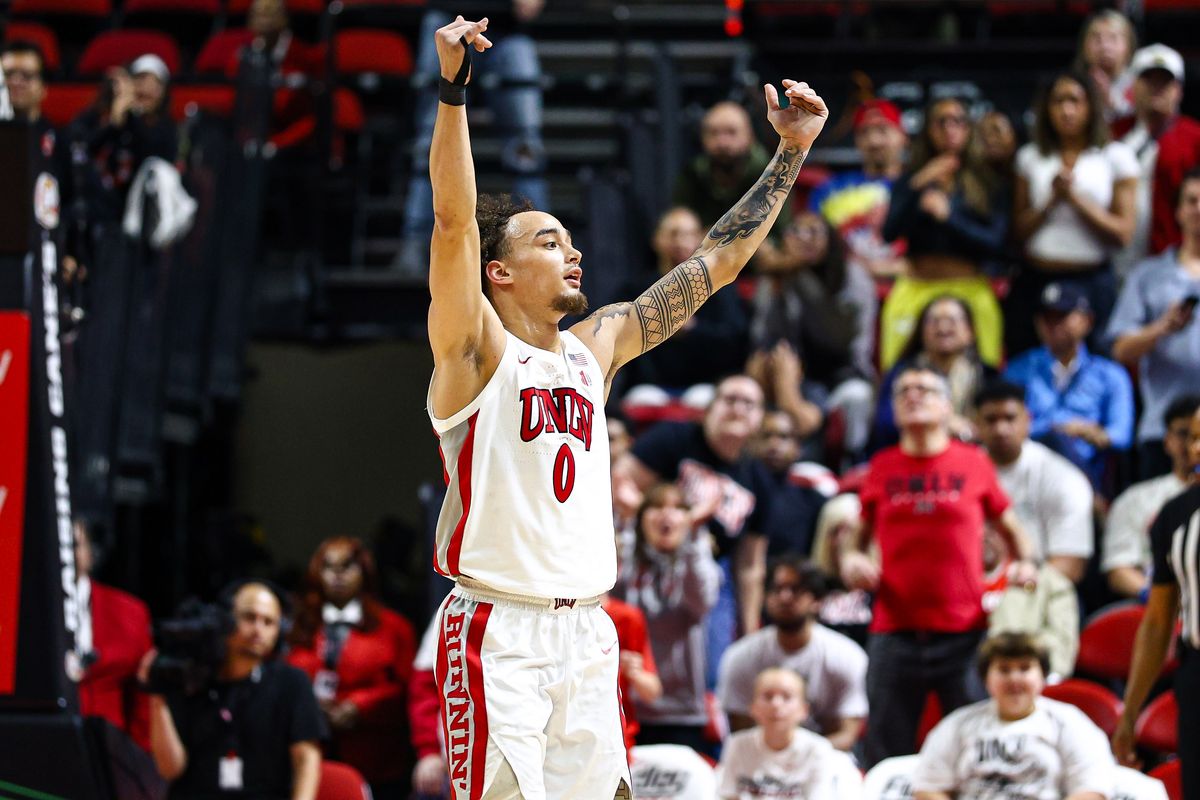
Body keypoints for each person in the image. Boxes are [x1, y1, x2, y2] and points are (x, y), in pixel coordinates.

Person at [423, 15, 827, 798]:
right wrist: (452, 90)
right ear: (497, 274)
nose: (570, 251)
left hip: (588, 630)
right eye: (546, 242)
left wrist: (791, 154)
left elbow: (713, 263)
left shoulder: (595, 346)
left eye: (570, 240)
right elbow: (450, 223)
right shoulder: (473, 352)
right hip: (498, 633)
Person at [840, 366, 1036, 767]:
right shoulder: (882, 465)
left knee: (975, 753)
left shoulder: (974, 463)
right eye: (904, 391)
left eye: (925, 389)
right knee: (884, 753)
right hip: (894, 631)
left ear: (948, 406)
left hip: (964, 633)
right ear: (893, 410)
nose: (914, 395)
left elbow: (1015, 532)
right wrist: (852, 561)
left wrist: (1026, 564)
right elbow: (853, 544)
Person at [396, 1, 548, 278]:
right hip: (448, 21)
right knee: (430, 138)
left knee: (525, 142)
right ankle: (415, 240)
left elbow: (529, 7)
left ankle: (541, 238)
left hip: (508, 31)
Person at [140, 581, 327, 800]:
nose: (259, 630)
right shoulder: (192, 678)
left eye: (269, 622)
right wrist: (157, 697)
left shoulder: (292, 682)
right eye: (249, 618)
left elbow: (306, 760)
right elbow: (170, 769)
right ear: (225, 620)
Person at [1008, 70, 1139, 357]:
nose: (1067, 110)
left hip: (1092, 280)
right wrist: (1051, 201)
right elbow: (1018, 231)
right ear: (1046, 108)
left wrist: (1076, 200)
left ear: (1091, 106)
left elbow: (1123, 233)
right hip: (1036, 276)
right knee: (1027, 361)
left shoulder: (1116, 156)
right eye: (1058, 101)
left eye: (1075, 101)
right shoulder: (1030, 157)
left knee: (1097, 363)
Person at [880, 96, 1007, 370]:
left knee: (983, 372)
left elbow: (997, 244)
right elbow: (889, 233)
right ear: (928, 130)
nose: (950, 128)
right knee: (898, 372)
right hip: (916, 285)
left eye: (958, 121)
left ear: (968, 128)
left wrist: (949, 217)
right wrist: (918, 185)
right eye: (941, 122)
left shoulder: (987, 181)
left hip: (969, 286)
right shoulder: (911, 178)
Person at [1112, 404, 1200, 797]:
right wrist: (1130, 712)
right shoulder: (1175, 513)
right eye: (1192, 438)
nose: (1195, 449)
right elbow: (1158, 620)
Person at [285, 537, 417, 799]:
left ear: (364, 573)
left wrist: (359, 705)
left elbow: (408, 689)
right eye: (329, 567)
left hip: (377, 758)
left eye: (347, 566)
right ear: (316, 573)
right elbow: (283, 680)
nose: (337, 575)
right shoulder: (298, 627)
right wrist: (311, 703)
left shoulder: (394, 627)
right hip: (310, 751)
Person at [913, 632, 1116, 800]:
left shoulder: (1070, 722)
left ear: (1042, 676)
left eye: (1025, 668)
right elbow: (928, 787)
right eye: (1004, 669)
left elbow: (1092, 789)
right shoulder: (958, 724)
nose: (1014, 679)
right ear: (986, 679)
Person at [745, 210, 877, 462]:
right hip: (788, 367)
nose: (805, 238)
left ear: (831, 238)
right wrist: (779, 281)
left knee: (856, 394)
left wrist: (796, 272)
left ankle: (851, 460)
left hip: (838, 371)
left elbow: (844, 343)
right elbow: (763, 334)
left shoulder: (852, 276)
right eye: (796, 231)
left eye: (814, 231)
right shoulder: (775, 276)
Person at [610, 484, 720, 752]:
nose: (667, 516)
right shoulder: (627, 556)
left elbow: (703, 599)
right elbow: (608, 586)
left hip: (682, 711)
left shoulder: (697, 557)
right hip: (627, 705)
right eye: (657, 507)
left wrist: (692, 532)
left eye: (678, 509)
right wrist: (628, 521)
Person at [716, 556, 867, 751]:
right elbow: (740, 732)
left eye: (795, 590)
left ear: (817, 600)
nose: (785, 597)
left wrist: (797, 757)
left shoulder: (847, 656)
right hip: (761, 760)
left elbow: (846, 735)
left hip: (824, 760)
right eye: (776, 590)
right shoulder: (740, 657)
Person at [1107, 167, 1200, 480]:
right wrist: (1163, 327)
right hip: (1163, 430)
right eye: (1192, 200)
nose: (1199, 208)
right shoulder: (1148, 276)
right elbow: (1121, 350)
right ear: (1178, 211)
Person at [1004, 282, 1134, 490]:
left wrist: (1088, 433)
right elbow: (1004, 425)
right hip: (1030, 471)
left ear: (1087, 321)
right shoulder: (1017, 370)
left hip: (1089, 469)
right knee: (1053, 441)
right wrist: (1059, 428)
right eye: (1046, 318)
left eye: (1062, 316)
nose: (1052, 324)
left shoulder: (1110, 374)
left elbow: (1121, 434)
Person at [618, 207, 750, 399]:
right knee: (643, 397)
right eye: (673, 234)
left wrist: (693, 329)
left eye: (689, 234)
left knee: (703, 398)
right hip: (650, 386)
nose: (680, 242)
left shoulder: (720, 287)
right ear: (657, 239)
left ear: (700, 239)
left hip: (705, 384)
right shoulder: (634, 290)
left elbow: (735, 339)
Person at [973, 381, 1094, 585]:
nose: (1001, 429)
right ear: (976, 425)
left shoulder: (1063, 477)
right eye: (991, 420)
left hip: (1038, 586)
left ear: (1028, 421)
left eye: (1010, 418)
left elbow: (1071, 565)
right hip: (972, 587)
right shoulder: (960, 473)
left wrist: (1010, 588)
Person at [1103, 395, 1200, 599]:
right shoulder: (1136, 499)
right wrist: (1157, 599)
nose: (1195, 445)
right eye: (1185, 434)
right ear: (1167, 441)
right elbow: (1118, 568)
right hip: (1154, 599)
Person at [1113, 44, 1200, 270]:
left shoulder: (1194, 137)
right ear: (1133, 87)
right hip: (1115, 257)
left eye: (1165, 82)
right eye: (1149, 80)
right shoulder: (1113, 133)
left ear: (1179, 89)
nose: (1157, 89)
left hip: (1173, 261)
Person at [872, 295, 995, 452]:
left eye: (952, 321)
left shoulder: (988, 376)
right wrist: (942, 423)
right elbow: (885, 424)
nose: (943, 327)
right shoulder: (901, 373)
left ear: (970, 331)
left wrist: (969, 432)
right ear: (921, 331)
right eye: (934, 321)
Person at [74, 520, 153, 751]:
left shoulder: (129, 612)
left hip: (107, 755)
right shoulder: (14, 610)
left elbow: (142, 696)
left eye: (74, 544)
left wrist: (138, 766)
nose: (64, 554)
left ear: (91, 554)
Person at [809, 98, 909, 280]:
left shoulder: (918, 186)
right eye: (864, 132)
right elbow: (812, 246)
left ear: (903, 135)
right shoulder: (828, 190)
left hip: (909, 284)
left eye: (883, 130)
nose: (874, 141)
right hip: (842, 284)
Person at [715, 668, 839, 800]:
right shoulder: (737, 744)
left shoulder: (818, 749)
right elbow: (728, 796)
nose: (776, 704)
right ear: (753, 707)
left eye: (787, 697)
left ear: (804, 710)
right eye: (768, 696)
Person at [750, 410, 828, 558]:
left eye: (783, 437)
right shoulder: (740, 492)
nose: (774, 444)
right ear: (751, 442)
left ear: (798, 448)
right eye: (766, 436)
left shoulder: (813, 501)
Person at [1074, 9, 1137, 122]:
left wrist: (1110, 100)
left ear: (1129, 46)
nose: (1105, 46)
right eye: (1097, 39)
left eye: (1113, 38)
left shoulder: (1140, 83)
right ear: (1084, 47)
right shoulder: (1072, 85)